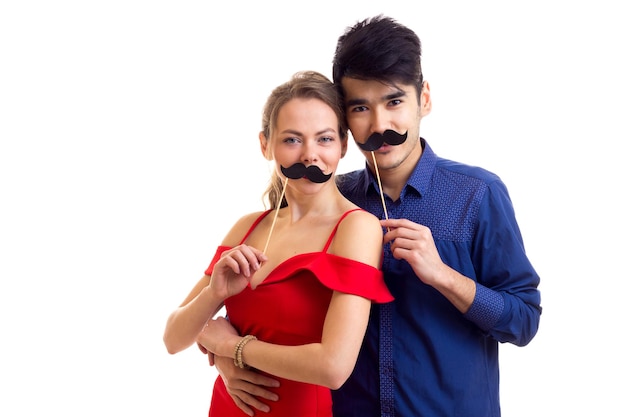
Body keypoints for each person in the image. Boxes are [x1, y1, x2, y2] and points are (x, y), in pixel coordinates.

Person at [209, 15, 542, 417]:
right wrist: (227, 357)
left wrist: (443, 275)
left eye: (395, 101)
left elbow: (523, 321)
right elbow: (249, 302)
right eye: (361, 107)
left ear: (425, 99)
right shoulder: (329, 200)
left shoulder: (478, 194)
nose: (380, 124)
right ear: (345, 122)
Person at [162, 70, 393, 417]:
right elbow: (173, 338)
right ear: (265, 145)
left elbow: (333, 366)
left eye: (325, 139)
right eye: (292, 140)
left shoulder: (357, 227)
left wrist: (232, 348)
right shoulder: (247, 226)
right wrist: (214, 294)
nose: (310, 156)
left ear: (344, 145)